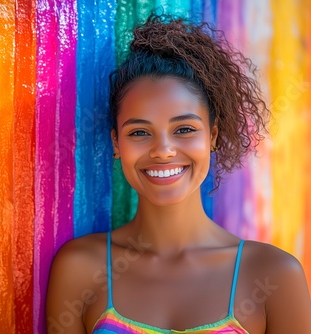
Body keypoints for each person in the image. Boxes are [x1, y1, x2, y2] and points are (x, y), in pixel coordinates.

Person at [46, 14, 311, 333]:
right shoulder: (80, 268)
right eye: (140, 133)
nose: (163, 150)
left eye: (184, 129)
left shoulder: (274, 275)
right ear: (116, 143)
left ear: (212, 136)